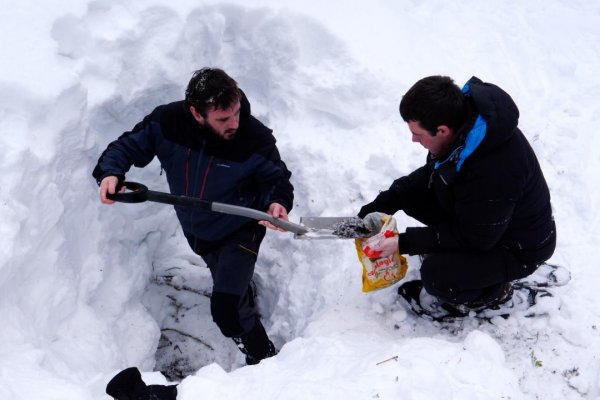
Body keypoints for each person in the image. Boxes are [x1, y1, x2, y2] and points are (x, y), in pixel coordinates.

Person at [93, 68, 294, 364]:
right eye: (224, 119)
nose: (235, 123)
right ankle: (240, 291)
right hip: (198, 228)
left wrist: (276, 202)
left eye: (237, 112)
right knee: (225, 281)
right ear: (197, 114)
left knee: (226, 311)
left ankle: (263, 357)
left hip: (240, 229)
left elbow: (276, 179)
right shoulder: (168, 123)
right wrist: (111, 171)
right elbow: (127, 145)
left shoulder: (253, 138)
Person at [358, 75, 556, 318]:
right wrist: (390, 198)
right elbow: (435, 174)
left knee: (438, 277)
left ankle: (495, 292)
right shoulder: (463, 131)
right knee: (411, 196)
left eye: (417, 133)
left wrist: (404, 243)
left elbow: (476, 238)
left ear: (442, 130)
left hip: (516, 246)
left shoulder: (494, 169)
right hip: (484, 220)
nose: (413, 139)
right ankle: (467, 265)